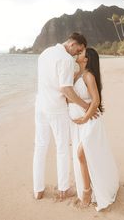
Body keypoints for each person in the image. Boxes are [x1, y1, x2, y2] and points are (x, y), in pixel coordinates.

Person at [33, 32, 93, 200]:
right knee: (62, 149)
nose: (77, 54)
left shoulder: (45, 53)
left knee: (40, 147)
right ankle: (63, 189)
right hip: (56, 109)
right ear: (72, 43)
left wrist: (79, 70)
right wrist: (86, 105)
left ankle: (38, 190)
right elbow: (66, 89)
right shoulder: (66, 59)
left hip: (40, 106)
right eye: (78, 50)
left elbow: (57, 81)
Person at [68, 47, 119, 211]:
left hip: (90, 122)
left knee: (81, 154)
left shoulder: (88, 76)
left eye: (81, 53)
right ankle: (91, 186)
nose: (78, 54)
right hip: (79, 125)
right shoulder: (76, 75)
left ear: (87, 59)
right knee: (87, 156)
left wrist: (85, 118)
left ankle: (87, 192)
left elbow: (96, 101)